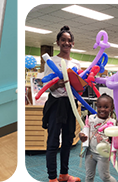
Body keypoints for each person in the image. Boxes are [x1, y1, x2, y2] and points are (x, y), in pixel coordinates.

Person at [42, 26, 85, 182]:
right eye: (63, 40)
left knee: (68, 139)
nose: (66, 43)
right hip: (56, 104)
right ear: (58, 42)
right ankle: (52, 177)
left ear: (72, 43)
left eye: (69, 40)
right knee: (53, 141)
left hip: (71, 104)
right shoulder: (51, 61)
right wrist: (58, 84)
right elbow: (47, 85)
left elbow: (79, 86)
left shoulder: (76, 64)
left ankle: (64, 174)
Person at [79, 94, 116, 182]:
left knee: (105, 177)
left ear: (111, 108)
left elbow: (115, 139)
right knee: (89, 176)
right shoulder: (91, 118)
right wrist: (81, 136)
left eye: (106, 107)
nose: (102, 109)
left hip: (103, 154)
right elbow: (85, 130)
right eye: (99, 106)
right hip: (90, 152)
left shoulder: (113, 122)